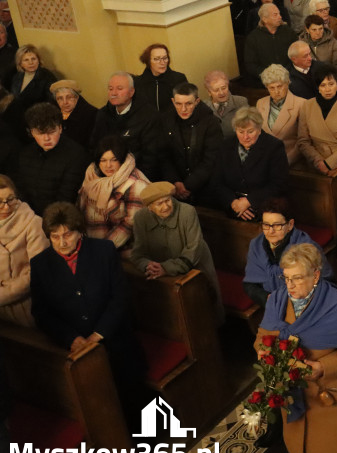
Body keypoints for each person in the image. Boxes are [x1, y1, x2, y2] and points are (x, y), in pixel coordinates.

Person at [254, 243, 337, 453]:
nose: (290, 286)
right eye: (286, 278)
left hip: (331, 393)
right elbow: (262, 339)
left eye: (297, 278)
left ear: (316, 275)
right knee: (310, 449)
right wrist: (266, 354)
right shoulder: (277, 300)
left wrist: (322, 367)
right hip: (296, 393)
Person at [31, 202, 146, 418]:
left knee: (131, 392)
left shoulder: (103, 251)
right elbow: (41, 313)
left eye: (67, 234)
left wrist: (98, 335)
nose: (62, 242)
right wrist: (72, 339)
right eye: (55, 236)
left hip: (114, 338)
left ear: (79, 231)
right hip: (74, 347)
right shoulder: (40, 265)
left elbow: (119, 297)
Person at [130, 182, 222, 321]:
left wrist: (166, 268)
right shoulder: (140, 218)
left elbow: (194, 248)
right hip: (163, 274)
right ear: (149, 208)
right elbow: (138, 253)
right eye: (159, 203)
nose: (166, 206)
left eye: (167, 200)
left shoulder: (187, 211)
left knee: (206, 313)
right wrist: (148, 266)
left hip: (195, 267)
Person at [242, 198, 330, 309]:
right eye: (266, 225)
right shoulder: (256, 245)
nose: (270, 231)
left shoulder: (307, 248)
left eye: (277, 225)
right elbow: (250, 284)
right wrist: (266, 298)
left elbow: (326, 283)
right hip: (273, 306)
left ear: (290, 225)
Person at [210, 107, 290, 221]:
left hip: (264, 205)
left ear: (259, 129)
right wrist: (233, 202)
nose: (245, 137)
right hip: (232, 205)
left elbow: (279, 184)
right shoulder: (226, 145)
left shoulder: (274, 147)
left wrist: (249, 201)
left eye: (250, 131)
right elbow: (216, 182)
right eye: (241, 132)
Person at [78, 135, 150, 250]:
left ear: (122, 160)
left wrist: (102, 249)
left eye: (114, 160)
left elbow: (130, 224)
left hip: (123, 249)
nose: (108, 165)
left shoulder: (135, 183)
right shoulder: (91, 177)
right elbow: (81, 212)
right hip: (90, 244)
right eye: (103, 160)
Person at [18, 102, 89, 214]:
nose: (46, 138)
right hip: (28, 216)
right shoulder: (25, 153)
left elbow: (66, 198)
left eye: (51, 132)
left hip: (58, 218)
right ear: (31, 132)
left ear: (60, 128)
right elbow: (21, 190)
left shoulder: (76, 154)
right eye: (40, 133)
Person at [159, 81, 223, 201]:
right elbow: (164, 156)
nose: (183, 109)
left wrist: (188, 185)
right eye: (178, 104)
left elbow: (211, 159)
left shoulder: (211, 122)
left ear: (197, 102)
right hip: (173, 186)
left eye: (188, 104)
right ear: (173, 101)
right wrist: (175, 182)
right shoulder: (166, 120)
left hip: (206, 187)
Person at [296, 66, 337, 174]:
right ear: (318, 87)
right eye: (323, 85)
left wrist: (329, 163)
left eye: (331, 84)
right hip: (318, 164)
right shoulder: (307, 106)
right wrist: (319, 162)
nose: (327, 89)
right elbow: (303, 141)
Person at [0, 175, 47, 326]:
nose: (6, 207)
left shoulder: (33, 223)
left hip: (22, 305)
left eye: (11, 199)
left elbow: (38, 273)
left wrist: (4, 294)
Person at [256, 64, 306, 165]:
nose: (276, 91)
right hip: (264, 159)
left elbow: (303, 140)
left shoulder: (302, 104)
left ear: (287, 83)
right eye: (272, 88)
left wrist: (287, 160)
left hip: (290, 158)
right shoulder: (260, 103)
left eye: (280, 86)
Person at [6, 45, 57, 129]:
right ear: (20, 63)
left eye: (33, 59)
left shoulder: (47, 76)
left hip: (38, 120)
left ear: (38, 60)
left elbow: (51, 103)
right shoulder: (17, 76)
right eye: (26, 60)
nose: (31, 63)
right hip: (19, 119)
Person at [244, 3, 294, 84]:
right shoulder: (253, 38)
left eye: (279, 13)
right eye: (275, 14)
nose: (280, 17)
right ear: (264, 19)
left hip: (290, 76)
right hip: (265, 81)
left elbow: (296, 55)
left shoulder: (288, 32)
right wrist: (269, 74)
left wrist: (286, 71)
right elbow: (251, 65)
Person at [48, 79, 97, 150]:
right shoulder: (52, 113)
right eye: (60, 98)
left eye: (69, 97)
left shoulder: (91, 114)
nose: (65, 102)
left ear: (77, 97)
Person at [203, 70, 250, 139]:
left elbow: (250, 127)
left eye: (224, 88)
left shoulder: (241, 102)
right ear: (209, 92)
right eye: (216, 90)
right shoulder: (203, 107)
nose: (221, 93)